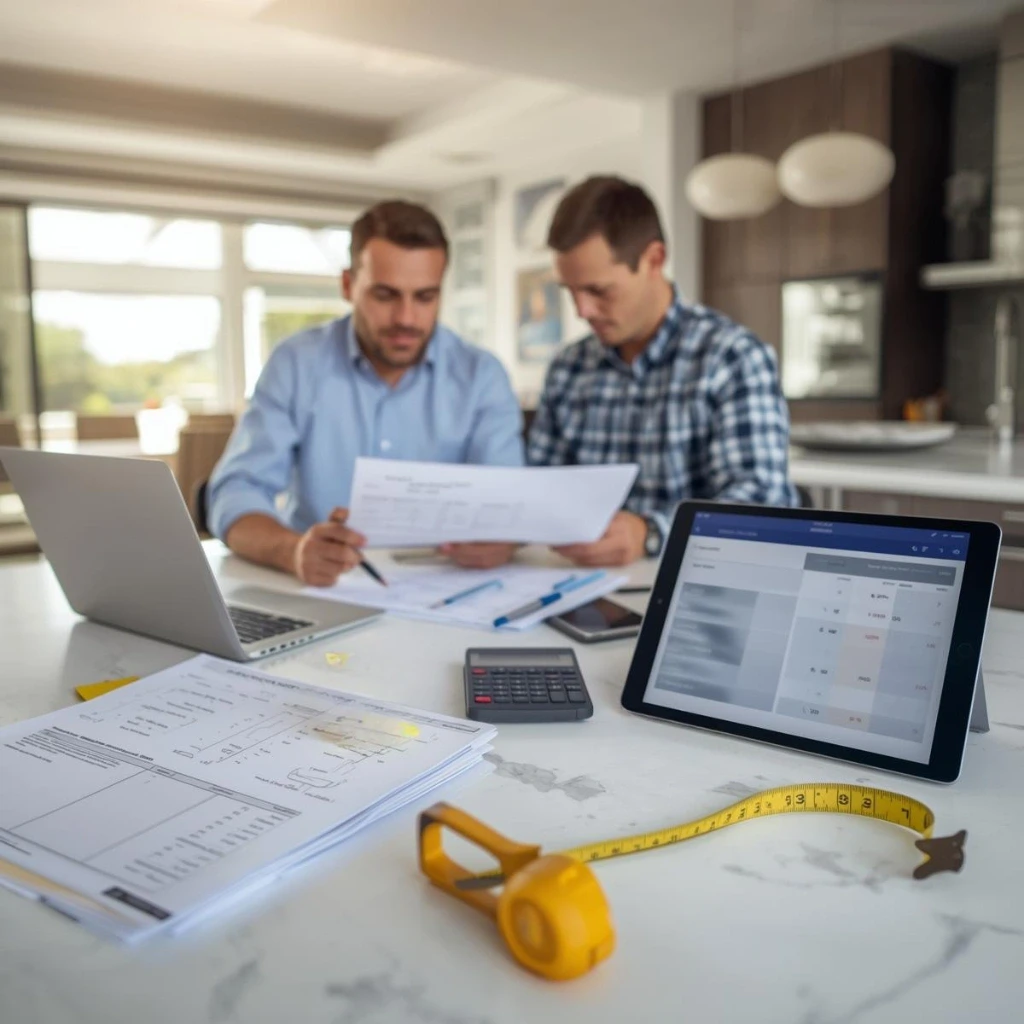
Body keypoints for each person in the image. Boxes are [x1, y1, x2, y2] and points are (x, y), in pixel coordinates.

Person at [208, 200, 523, 585]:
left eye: (425, 297)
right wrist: (291, 550)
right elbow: (235, 493)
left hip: (451, 588)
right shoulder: (295, 363)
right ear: (347, 285)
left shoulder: (482, 376)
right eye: (385, 295)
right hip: (320, 588)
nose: (406, 318)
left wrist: (505, 538)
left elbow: (509, 501)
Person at [527, 175, 799, 567]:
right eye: (569, 291)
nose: (581, 311)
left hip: (693, 586)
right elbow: (541, 486)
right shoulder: (568, 368)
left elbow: (764, 506)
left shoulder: (733, 357)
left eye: (599, 291)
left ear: (654, 260)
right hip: (574, 585)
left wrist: (650, 532)